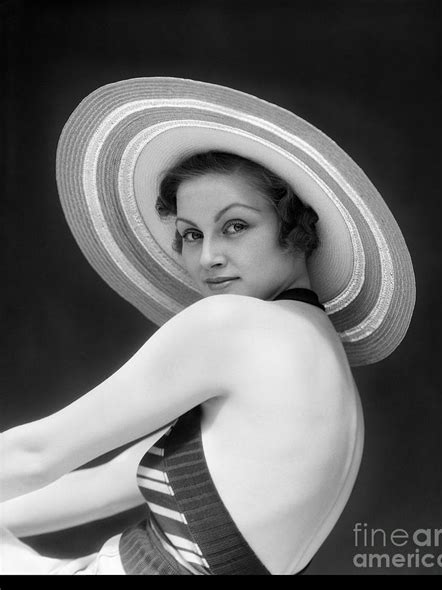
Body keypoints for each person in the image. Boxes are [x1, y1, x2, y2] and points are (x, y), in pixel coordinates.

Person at [0, 78, 416, 575]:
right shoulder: (313, 355)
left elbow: (34, 455)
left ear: (298, 229)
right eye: (190, 235)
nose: (208, 257)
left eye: (235, 226)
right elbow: (103, 484)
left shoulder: (236, 327)